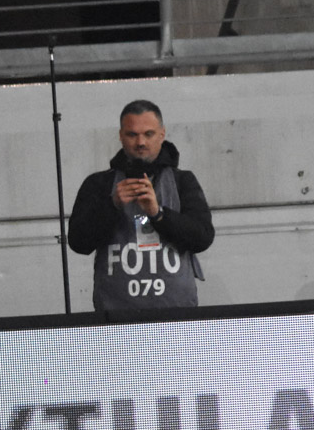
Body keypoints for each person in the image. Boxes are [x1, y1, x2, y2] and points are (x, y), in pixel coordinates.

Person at [68, 100, 215, 311]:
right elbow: (78, 243)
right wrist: (112, 206)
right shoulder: (98, 184)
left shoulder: (183, 181)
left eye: (148, 134)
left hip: (176, 314)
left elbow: (203, 238)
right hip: (115, 316)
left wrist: (159, 214)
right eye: (132, 134)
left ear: (162, 134)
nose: (140, 142)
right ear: (120, 136)